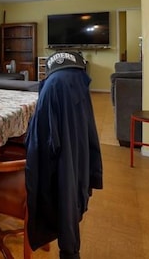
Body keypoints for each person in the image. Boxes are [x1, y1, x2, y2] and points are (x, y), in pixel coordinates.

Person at [25, 51, 103, 259]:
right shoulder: (75, 81)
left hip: (58, 178)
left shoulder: (52, 87)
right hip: (73, 170)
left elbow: (38, 147)